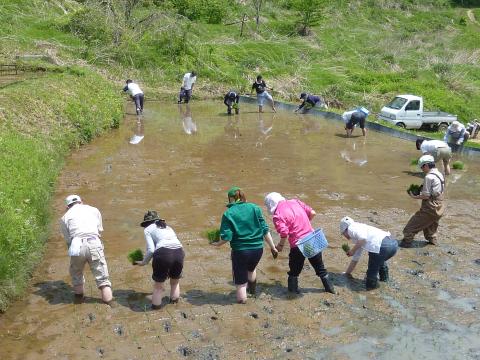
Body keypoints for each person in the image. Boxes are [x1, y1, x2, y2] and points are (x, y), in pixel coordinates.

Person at [211, 186, 278, 304]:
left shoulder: (228, 213)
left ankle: (243, 304)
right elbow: (265, 229)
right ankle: (252, 292)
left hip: (240, 251)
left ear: (231, 199)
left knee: (240, 280)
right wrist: (273, 247)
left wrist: (217, 244)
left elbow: (227, 237)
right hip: (258, 249)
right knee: (251, 269)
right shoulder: (255, 208)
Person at [264, 192, 335, 294]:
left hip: (298, 245)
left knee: (294, 272)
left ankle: (292, 295)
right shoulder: (295, 201)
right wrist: (305, 223)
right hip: (312, 239)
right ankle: (331, 291)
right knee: (321, 269)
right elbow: (313, 213)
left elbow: (284, 232)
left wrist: (280, 245)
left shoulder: (277, 214)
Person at [60, 195, 113, 305]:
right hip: (93, 241)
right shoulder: (94, 210)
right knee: (103, 278)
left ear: (67, 206)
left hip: (76, 244)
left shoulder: (65, 217)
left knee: (76, 273)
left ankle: (79, 301)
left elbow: (68, 240)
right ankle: (109, 304)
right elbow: (99, 230)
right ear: (81, 202)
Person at [134, 211, 185, 309]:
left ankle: (156, 309)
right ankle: (174, 303)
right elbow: (175, 242)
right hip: (179, 252)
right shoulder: (168, 227)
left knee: (158, 286)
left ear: (146, 223)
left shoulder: (148, 229)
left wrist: (144, 262)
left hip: (163, 254)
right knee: (175, 282)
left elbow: (151, 250)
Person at [340, 217, 398, 291]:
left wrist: (352, 251)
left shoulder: (351, 228)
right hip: (393, 244)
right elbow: (355, 258)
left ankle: (371, 292)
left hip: (383, 247)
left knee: (371, 275)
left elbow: (363, 239)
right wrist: (347, 273)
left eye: (343, 234)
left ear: (345, 229)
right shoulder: (360, 228)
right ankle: (385, 282)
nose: (344, 236)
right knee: (379, 261)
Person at [400, 154, 445, 248]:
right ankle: (432, 242)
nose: (421, 169)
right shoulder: (439, 173)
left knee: (410, 227)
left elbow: (426, 196)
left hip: (431, 206)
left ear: (426, 165)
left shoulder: (429, 177)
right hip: (440, 205)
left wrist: (414, 196)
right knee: (431, 226)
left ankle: (406, 243)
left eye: (422, 167)